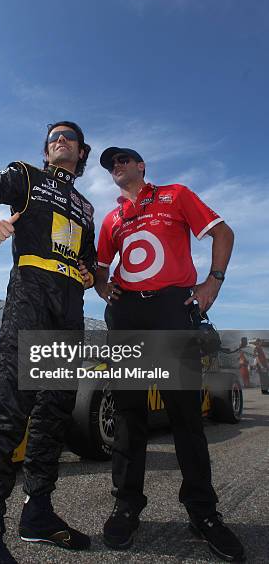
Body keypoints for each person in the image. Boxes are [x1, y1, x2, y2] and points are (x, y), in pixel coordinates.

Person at [0, 121, 96, 564]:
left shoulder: (87, 207)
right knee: (10, 411)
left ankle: (39, 514)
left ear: (81, 153)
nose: (60, 140)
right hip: (31, 299)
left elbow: (87, 255)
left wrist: (90, 272)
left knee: (55, 413)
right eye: (54, 136)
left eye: (69, 137)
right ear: (47, 149)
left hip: (69, 311)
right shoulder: (25, 176)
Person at [95, 147, 245, 562]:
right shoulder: (111, 219)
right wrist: (104, 287)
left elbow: (223, 232)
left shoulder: (175, 195)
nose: (117, 167)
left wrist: (212, 283)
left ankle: (203, 512)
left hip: (172, 308)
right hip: (127, 316)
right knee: (129, 414)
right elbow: (99, 266)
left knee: (185, 415)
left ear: (141, 165)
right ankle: (127, 505)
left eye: (124, 159)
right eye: (111, 165)